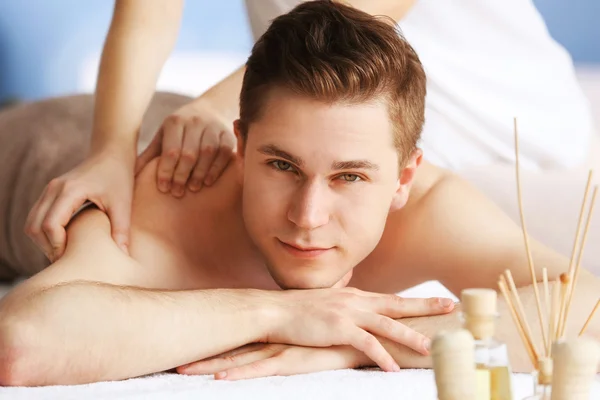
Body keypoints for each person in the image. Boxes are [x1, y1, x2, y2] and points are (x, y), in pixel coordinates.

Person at [0, 0, 598, 387]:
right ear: (239, 147)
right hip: (33, 144)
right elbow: (20, 344)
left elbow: (588, 305)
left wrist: (357, 344)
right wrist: (284, 314)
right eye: (281, 166)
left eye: (351, 177)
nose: (308, 218)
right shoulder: (164, 201)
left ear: (405, 177)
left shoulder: (428, 208)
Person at [24, 0, 600, 272]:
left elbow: (363, 9)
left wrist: (212, 103)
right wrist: (109, 151)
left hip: (502, 117)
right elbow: (147, 10)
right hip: (307, 110)